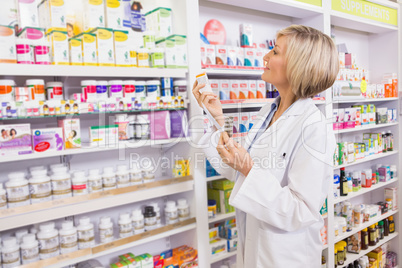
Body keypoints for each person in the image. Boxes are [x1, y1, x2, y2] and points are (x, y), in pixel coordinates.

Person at [193, 25, 338, 267]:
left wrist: (249, 169)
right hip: (254, 248)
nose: (265, 56)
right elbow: (234, 170)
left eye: (275, 51)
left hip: (286, 257)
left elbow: (301, 211)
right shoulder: (267, 112)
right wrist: (216, 119)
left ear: (298, 65)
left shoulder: (315, 127)